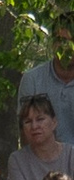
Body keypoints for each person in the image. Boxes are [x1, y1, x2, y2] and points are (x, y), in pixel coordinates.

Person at [6, 96, 74, 180]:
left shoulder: (71, 154)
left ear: (54, 122)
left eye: (40, 119)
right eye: (28, 122)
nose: (34, 126)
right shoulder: (17, 160)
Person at [18, 13, 74, 146]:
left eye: (72, 41)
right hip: (44, 158)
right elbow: (26, 135)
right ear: (53, 43)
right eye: (61, 40)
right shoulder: (32, 80)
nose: (67, 47)